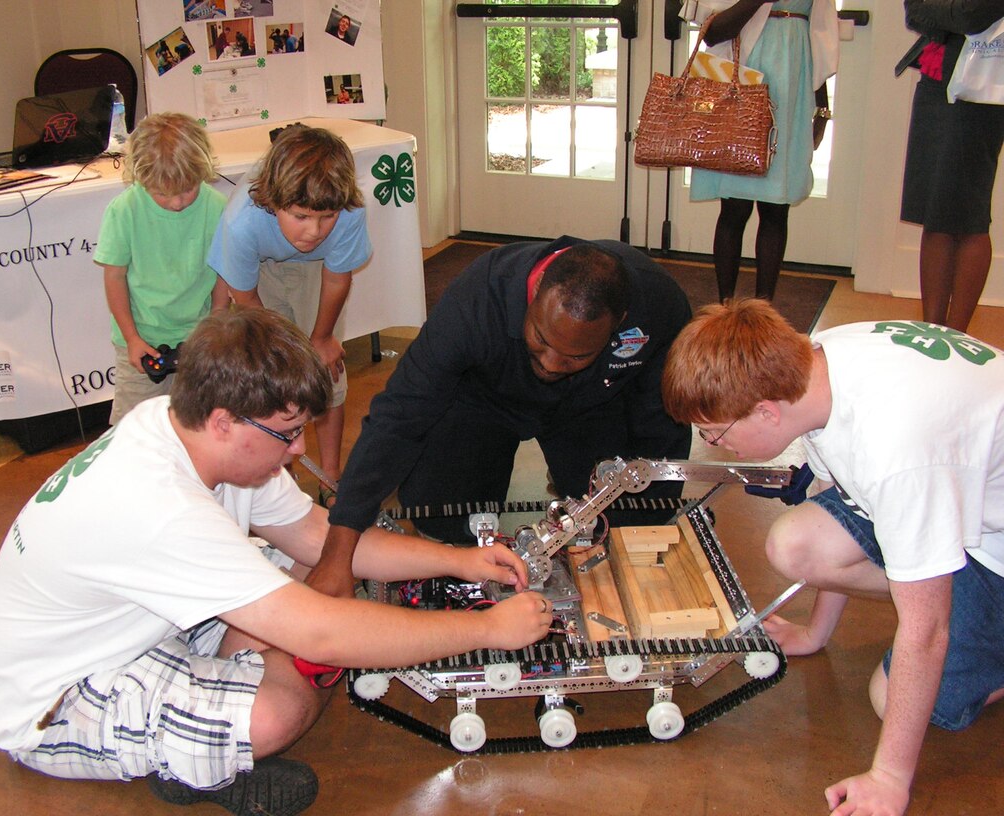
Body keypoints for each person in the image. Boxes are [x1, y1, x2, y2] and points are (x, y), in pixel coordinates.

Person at [0, 308, 548, 816]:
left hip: (135, 626)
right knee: (279, 711)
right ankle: (202, 753)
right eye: (288, 434)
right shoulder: (158, 505)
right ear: (224, 420)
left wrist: (458, 561)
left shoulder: (176, 421)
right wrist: (486, 629)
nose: (300, 450)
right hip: (58, 702)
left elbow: (319, 535)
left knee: (326, 573)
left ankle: (213, 727)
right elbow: (324, 633)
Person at [660, 298, 1004, 816]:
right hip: (964, 494)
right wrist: (815, 635)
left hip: (990, 546)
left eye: (714, 433)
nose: (713, 444)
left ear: (766, 411)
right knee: (795, 543)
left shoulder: (896, 451)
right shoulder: (816, 369)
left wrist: (888, 778)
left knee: (897, 700)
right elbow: (841, 501)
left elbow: (927, 630)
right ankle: (936, 584)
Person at [316, 237, 693, 598]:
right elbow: (400, 415)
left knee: (615, 524)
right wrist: (339, 548)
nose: (550, 364)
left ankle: (585, 486)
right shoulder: (476, 301)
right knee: (445, 517)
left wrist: (650, 523)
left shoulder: (659, 306)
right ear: (537, 288)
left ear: (620, 322)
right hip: (484, 399)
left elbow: (662, 423)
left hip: (589, 407)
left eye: (575, 355)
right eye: (541, 339)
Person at [208, 124, 368, 507]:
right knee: (274, 380)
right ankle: (284, 482)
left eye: (325, 217)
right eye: (300, 216)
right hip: (260, 271)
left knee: (328, 375)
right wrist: (283, 352)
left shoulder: (346, 210)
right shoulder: (242, 222)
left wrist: (322, 338)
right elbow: (246, 299)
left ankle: (331, 478)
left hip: (320, 271)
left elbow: (337, 279)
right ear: (273, 202)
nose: (314, 230)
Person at [682, 0, 839, 301]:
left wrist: (822, 108)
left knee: (776, 208)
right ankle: (725, 307)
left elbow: (818, 36)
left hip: (793, 83)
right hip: (741, 78)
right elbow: (713, 32)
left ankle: (764, 312)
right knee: (734, 207)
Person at [94, 112, 229, 425]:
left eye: (187, 189)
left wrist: (217, 320)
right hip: (143, 338)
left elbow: (223, 272)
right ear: (140, 177)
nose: (177, 203)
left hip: (199, 338)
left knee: (200, 424)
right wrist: (131, 337)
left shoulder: (217, 206)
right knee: (133, 431)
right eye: (163, 193)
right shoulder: (124, 210)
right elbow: (114, 277)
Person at [901, 0, 1004, 332]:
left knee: (968, 217)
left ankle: (957, 337)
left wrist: (939, 13)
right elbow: (913, 10)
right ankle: (932, 332)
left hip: (981, 89)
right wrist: (944, 14)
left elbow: (972, 15)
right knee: (934, 211)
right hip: (935, 77)